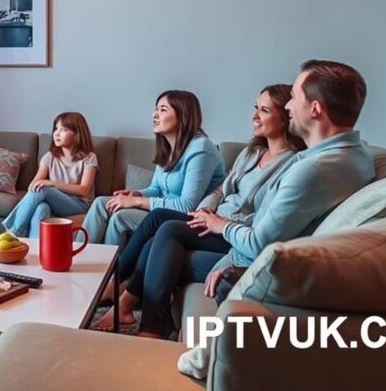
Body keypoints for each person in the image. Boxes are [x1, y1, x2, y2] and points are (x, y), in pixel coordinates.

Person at [93, 84, 304, 334]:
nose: (254, 115)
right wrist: (205, 211)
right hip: (213, 221)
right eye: (255, 108)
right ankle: (139, 315)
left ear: (286, 117)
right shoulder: (252, 152)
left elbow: (261, 220)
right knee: (154, 241)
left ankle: (128, 304)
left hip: (232, 234)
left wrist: (219, 223)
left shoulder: (291, 164)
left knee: (165, 225)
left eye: (264, 110)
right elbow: (220, 190)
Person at [190, 60, 375, 297]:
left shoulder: (313, 170)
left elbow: (259, 244)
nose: (288, 106)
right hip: (251, 254)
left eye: (294, 97)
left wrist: (224, 236)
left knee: (172, 249)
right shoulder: (357, 153)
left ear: (315, 109)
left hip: (254, 266)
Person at [81, 90, 225, 245]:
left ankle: (111, 267)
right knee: (100, 203)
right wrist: (136, 193)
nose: (155, 115)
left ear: (183, 116)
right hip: (161, 210)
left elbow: (186, 205)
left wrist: (136, 201)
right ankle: (77, 257)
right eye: (156, 109)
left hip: (183, 218)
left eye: (163, 110)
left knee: (119, 218)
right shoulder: (169, 147)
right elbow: (156, 188)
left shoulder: (201, 149)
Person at [2, 112, 98, 239]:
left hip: (78, 205)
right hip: (55, 202)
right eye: (56, 129)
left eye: (64, 129)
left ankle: (14, 232)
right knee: (41, 208)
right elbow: (33, 186)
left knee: (43, 189)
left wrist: (53, 183)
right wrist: (45, 185)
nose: (57, 133)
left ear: (77, 134)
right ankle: (36, 249)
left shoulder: (89, 158)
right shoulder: (50, 157)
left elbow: (84, 190)